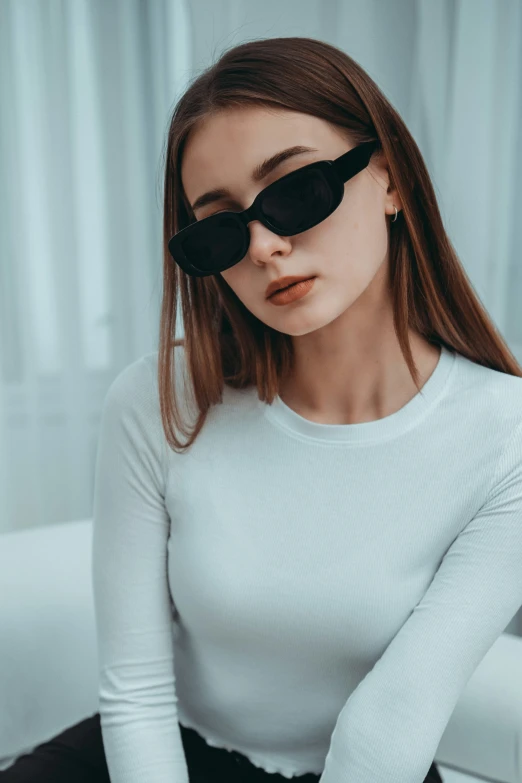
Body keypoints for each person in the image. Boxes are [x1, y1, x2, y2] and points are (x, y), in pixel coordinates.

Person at [4, 35, 522, 783]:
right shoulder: (158, 404)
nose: (264, 246)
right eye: (221, 227)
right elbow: (137, 693)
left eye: (296, 191)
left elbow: (390, 727)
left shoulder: (505, 437)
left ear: (390, 179)